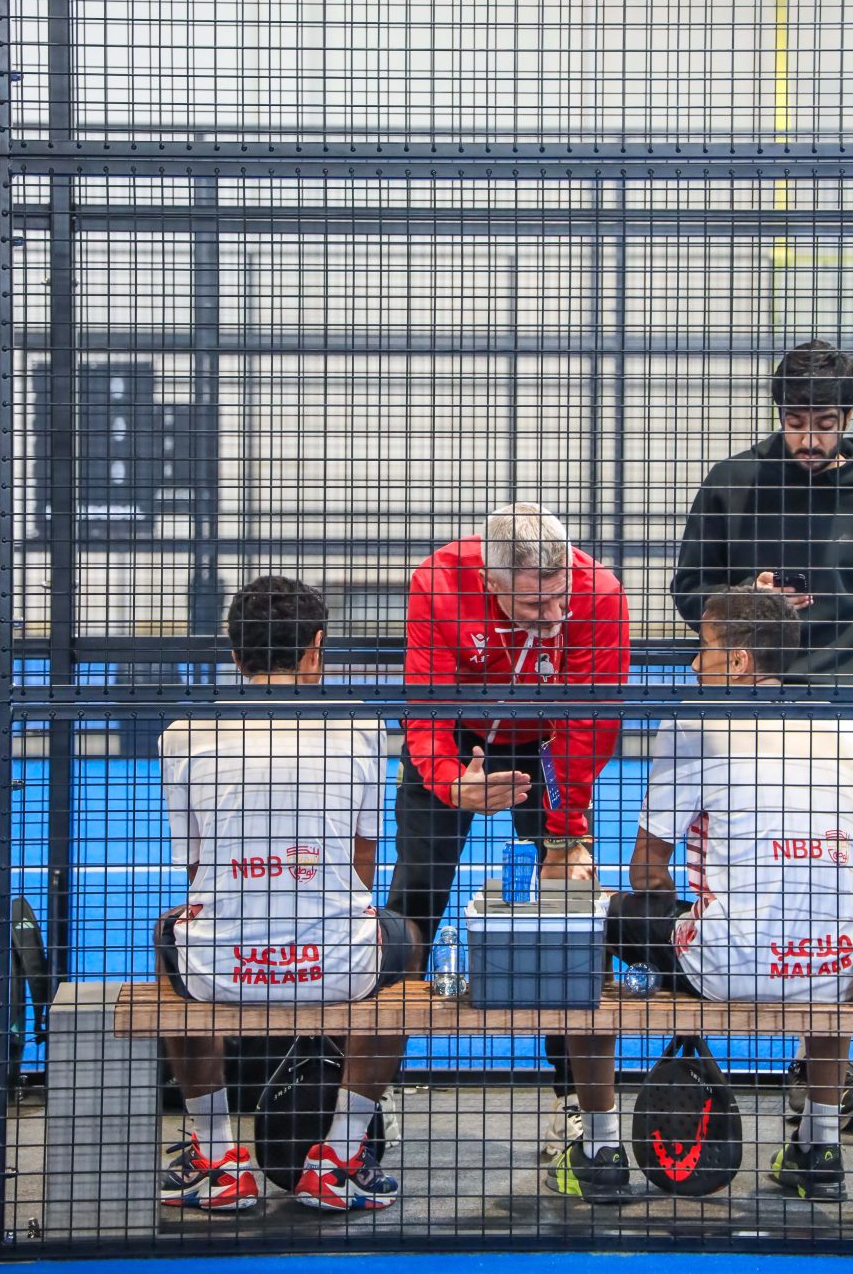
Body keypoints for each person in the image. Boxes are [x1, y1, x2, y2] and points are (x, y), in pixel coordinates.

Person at [671, 338, 853, 1118]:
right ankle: (771, 1070)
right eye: (797, 423)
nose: (810, 440)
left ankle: (820, 1077)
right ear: (779, 414)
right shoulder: (732, 484)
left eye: (824, 424)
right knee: (737, 878)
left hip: (837, 718)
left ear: (847, 419)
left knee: (829, 893)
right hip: (743, 716)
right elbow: (689, 592)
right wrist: (745, 598)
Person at [156, 576, 419, 1215]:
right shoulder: (360, 729)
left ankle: (218, 1157)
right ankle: (342, 1156)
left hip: (221, 970)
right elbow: (362, 863)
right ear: (315, 647)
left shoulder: (183, 733)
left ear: (234, 653)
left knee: (168, 934)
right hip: (340, 965)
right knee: (408, 942)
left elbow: (196, 868)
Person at [607, 586, 853, 1201]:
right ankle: (819, 1146)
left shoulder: (695, 723)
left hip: (730, 963)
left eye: (702, 648)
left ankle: (594, 1138)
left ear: (738, 661)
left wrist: (672, 945)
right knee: (830, 922)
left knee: (593, 919)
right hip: (841, 966)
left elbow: (647, 869)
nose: (692, 662)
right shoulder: (837, 723)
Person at [387, 502, 631, 1171]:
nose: (552, 617)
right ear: (491, 582)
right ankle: (374, 1089)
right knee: (414, 902)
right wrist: (448, 783)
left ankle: (580, 1103)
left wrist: (564, 833)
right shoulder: (439, 580)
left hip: (549, 742)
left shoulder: (600, 593)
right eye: (532, 604)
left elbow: (590, 722)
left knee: (569, 916)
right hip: (458, 739)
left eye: (559, 599)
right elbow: (426, 706)